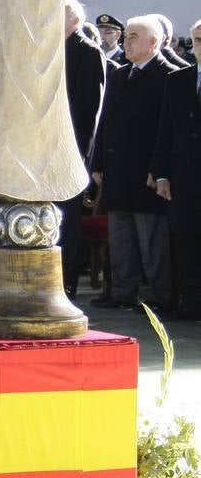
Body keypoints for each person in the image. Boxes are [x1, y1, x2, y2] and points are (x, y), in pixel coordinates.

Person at [91, 16, 172, 313]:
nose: (127, 41)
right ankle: (122, 291)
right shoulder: (119, 75)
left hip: (146, 172)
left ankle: (160, 295)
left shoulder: (169, 76)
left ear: (154, 42)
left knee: (152, 240)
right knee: (121, 236)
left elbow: (166, 129)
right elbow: (105, 123)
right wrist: (97, 162)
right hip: (118, 170)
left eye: (135, 36)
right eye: (127, 35)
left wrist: (159, 169)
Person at [151, 18, 201, 320]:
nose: (200, 46)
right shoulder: (178, 80)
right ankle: (190, 301)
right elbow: (164, 130)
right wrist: (161, 174)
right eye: (197, 39)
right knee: (185, 239)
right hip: (184, 176)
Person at [59, 0, 106, 299]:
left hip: (71, 152)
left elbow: (90, 112)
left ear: (74, 21)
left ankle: (67, 281)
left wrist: (79, 158)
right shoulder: (50, 50)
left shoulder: (89, 53)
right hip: (45, 151)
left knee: (68, 223)